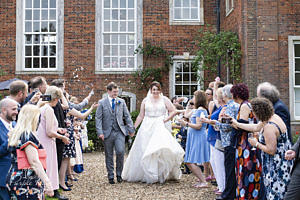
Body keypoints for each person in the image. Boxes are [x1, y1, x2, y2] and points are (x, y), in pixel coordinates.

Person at [122, 81, 184, 183]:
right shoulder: (145, 100)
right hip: (147, 126)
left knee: (159, 148)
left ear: (160, 90)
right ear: (151, 90)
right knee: (145, 148)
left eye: (157, 89)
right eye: (153, 89)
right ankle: (146, 173)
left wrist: (166, 119)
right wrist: (133, 128)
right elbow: (141, 116)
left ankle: (160, 174)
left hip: (159, 126)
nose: (155, 91)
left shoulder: (164, 99)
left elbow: (173, 111)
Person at [231, 97, 293, 200]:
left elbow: (271, 150)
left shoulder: (269, 127)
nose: (253, 114)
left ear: (259, 111)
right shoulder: (273, 117)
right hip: (283, 161)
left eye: (254, 111)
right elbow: (255, 127)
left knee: (276, 194)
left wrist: (256, 144)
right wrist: (237, 124)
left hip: (276, 165)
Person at [6, 105, 54, 199]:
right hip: (27, 182)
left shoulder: (17, 133)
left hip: (17, 178)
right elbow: (34, 162)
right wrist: (47, 183)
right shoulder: (27, 135)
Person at [96, 82, 135, 184]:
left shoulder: (121, 102)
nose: (115, 93)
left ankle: (119, 174)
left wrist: (131, 129)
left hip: (119, 131)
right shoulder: (102, 102)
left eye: (117, 91)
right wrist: (100, 132)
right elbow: (98, 118)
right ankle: (110, 175)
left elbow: (127, 116)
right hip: (107, 132)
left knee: (120, 151)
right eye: (114, 92)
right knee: (108, 154)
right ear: (108, 91)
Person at [37, 86, 70, 200]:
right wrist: (62, 137)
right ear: (56, 99)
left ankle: (45, 190)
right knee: (50, 167)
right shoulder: (49, 110)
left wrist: (58, 130)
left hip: (41, 141)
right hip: (47, 142)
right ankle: (51, 190)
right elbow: (49, 132)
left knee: (44, 167)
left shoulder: (42, 107)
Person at [231, 83, 262, 200]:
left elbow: (242, 126)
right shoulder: (248, 104)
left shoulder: (244, 106)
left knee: (244, 172)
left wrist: (232, 123)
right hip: (248, 142)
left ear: (236, 95)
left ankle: (245, 196)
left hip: (245, 145)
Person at [179, 90, 210, 188]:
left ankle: (203, 181)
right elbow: (186, 115)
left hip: (198, 136)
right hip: (193, 137)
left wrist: (186, 124)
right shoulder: (197, 109)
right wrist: (188, 104)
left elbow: (199, 126)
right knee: (189, 160)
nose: (192, 99)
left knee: (190, 160)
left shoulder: (201, 110)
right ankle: (201, 180)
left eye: (194, 97)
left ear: (198, 99)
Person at [203, 88, 226, 195]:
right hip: (212, 137)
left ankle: (223, 187)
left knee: (219, 163)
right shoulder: (220, 107)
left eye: (217, 95)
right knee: (213, 162)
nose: (215, 97)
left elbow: (220, 123)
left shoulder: (225, 108)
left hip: (218, 138)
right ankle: (220, 185)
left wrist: (208, 121)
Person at [0, 99, 18, 199]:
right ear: (3, 110)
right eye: (13, 109)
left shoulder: (15, 125)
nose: (17, 112)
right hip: (2, 177)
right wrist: (9, 141)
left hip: (16, 176)